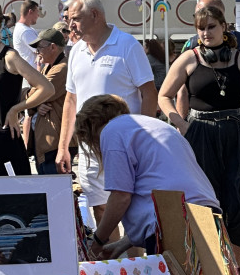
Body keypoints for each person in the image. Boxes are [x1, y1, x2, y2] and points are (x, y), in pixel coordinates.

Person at [158, 3, 240, 275]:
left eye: (211, 27)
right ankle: (210, 265)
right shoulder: (188, 58)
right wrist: (182, 124)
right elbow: (164, 95)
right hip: (201, 136)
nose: (206, 32)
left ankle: (235, 265)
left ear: (224, 28)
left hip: (237, 134)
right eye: (201, 28)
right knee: (205, 200)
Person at [74, 95, 219, 259]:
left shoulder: (111, 131)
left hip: (172, 218)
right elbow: (158, 181)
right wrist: (123, 243)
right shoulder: (155, 125)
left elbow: (120, 197)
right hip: (207, 212)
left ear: (90, 128)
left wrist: (97, 242)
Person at [56, 0, 158, 222]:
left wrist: (143, 138)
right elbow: (71, 100)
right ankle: (107, 258)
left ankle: (134, 258)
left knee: (131, 213)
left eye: (75, 18)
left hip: (125, 147)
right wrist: (63, 147)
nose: (70, 24)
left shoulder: (127, 45)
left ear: (95, 15)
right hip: (88, 148)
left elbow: (150, 93)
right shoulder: (75, 52)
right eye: (68, 19)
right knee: (101, 211)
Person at [0, 0, 54, 176]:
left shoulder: (10, 57)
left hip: (6, 140)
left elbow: (46, 88)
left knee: (13, 198)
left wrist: (17, 109)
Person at [26, 27, 72, 174]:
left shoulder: (61, 69)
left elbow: (37, 94)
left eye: (40, 47)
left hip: (54, 144)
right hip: (47, 142)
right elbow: (34, 96)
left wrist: (34, 100)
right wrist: (36, 105)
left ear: (53, 47)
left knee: (55, 193)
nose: (37, 51)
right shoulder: (49, 68)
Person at [12, 0, 41, 67]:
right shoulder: (25, 31)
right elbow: (41, 49)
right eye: (37, 12)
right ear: (30, 12)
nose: (38, 15)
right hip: (30, 73)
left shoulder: (27, 29)